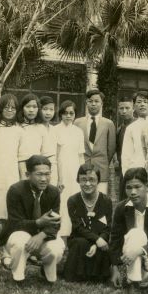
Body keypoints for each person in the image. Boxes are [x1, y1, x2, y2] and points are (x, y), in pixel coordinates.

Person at [0, 155, 64, 283]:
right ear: (28, 174)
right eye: (39, 174)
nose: (44, 179)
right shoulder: (15, 190)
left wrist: (41, 235)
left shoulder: (54, 192)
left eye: (47, 174)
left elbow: (55, 223)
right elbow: (15, 223)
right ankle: (18, 278)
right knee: (20, 241)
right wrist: (38, 223)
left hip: (42, 236)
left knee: (57, 247)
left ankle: (48, 274)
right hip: (18, 233)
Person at [109, 167, 148, 289]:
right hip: (129, 248)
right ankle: (133, 280)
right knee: (136, 234)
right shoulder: (121, 208)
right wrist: (115, 268)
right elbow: (115, 240)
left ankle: (144, 272)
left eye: (137, 187)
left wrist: (140, 251)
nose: (133, 192)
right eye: (129, 188)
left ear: (146, 186)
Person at [0, 94, 25, 269]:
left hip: (12, 176)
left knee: (10, 216)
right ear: (0, 108)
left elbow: (21, 157)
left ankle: (7, 252)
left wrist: (22, 180)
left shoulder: (19, 130)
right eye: (6, 107)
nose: (9, 111)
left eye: (13, 108)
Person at [63, 163, 113, 282]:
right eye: (83, 180)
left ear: (98, 181)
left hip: (101, 240)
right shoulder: (73, 200)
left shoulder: (106, 201)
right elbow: (77, 227)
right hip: (79, 238)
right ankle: (79, 274)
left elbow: (108, 227)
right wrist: (96, 240)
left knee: (104, 247)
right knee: (81, 243)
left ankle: (96, 274)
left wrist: (98, 242)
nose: (88, 184)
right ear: (78, 181)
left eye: (92, 180)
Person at [74, 89, 116, 194]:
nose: (93, 104)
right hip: (83, 167)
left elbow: (110, 149)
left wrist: (102, 160)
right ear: (86, 103)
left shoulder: (108, 123)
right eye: (90, 101)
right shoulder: (78, 122)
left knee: (101, 198)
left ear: (101, 103)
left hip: (101, 168)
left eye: (96, 101)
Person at [55, 100, 85, 238]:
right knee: (61, 201)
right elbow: (56, 155)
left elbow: (80, 156)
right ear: (61, 114)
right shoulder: (55, 130)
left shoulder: (78, 132)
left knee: (74, 201)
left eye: (71, 113)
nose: (68, 116)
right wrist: (59, 177)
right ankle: (60, 234)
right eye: (65, 113)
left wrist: (82, 175)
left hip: (74, 171)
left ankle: (74, 233)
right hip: (60, 170)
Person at [17, 93, 50, 179]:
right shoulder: (17, 127)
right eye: (28, 107)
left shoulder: (41, 128)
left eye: (34, 107)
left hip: (38, 169)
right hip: (18, 169)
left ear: (38, 109)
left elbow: (45, 154)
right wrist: (23, 177)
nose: (31, 110)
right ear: (22, 109)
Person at [121, 91, 148, 175]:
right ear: (134, 106)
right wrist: (126, 174)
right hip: (137, 170)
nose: (142, 104)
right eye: (139, 102)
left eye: (145, 102)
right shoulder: (131, 128)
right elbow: (126, 155)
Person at [116, 96, 135, 199]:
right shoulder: (119, 129)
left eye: (127, 108)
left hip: (136, 169)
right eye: (121, 108)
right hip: (123, 170)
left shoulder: (138, 126)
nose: (124, 111)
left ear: (133, 108)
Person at [39, 96, 59, 186]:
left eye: (51, 109)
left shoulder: (54, 129)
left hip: (53, 169)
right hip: (40, 168)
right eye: (45, 109)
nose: (48, 113)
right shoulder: (36, 128)